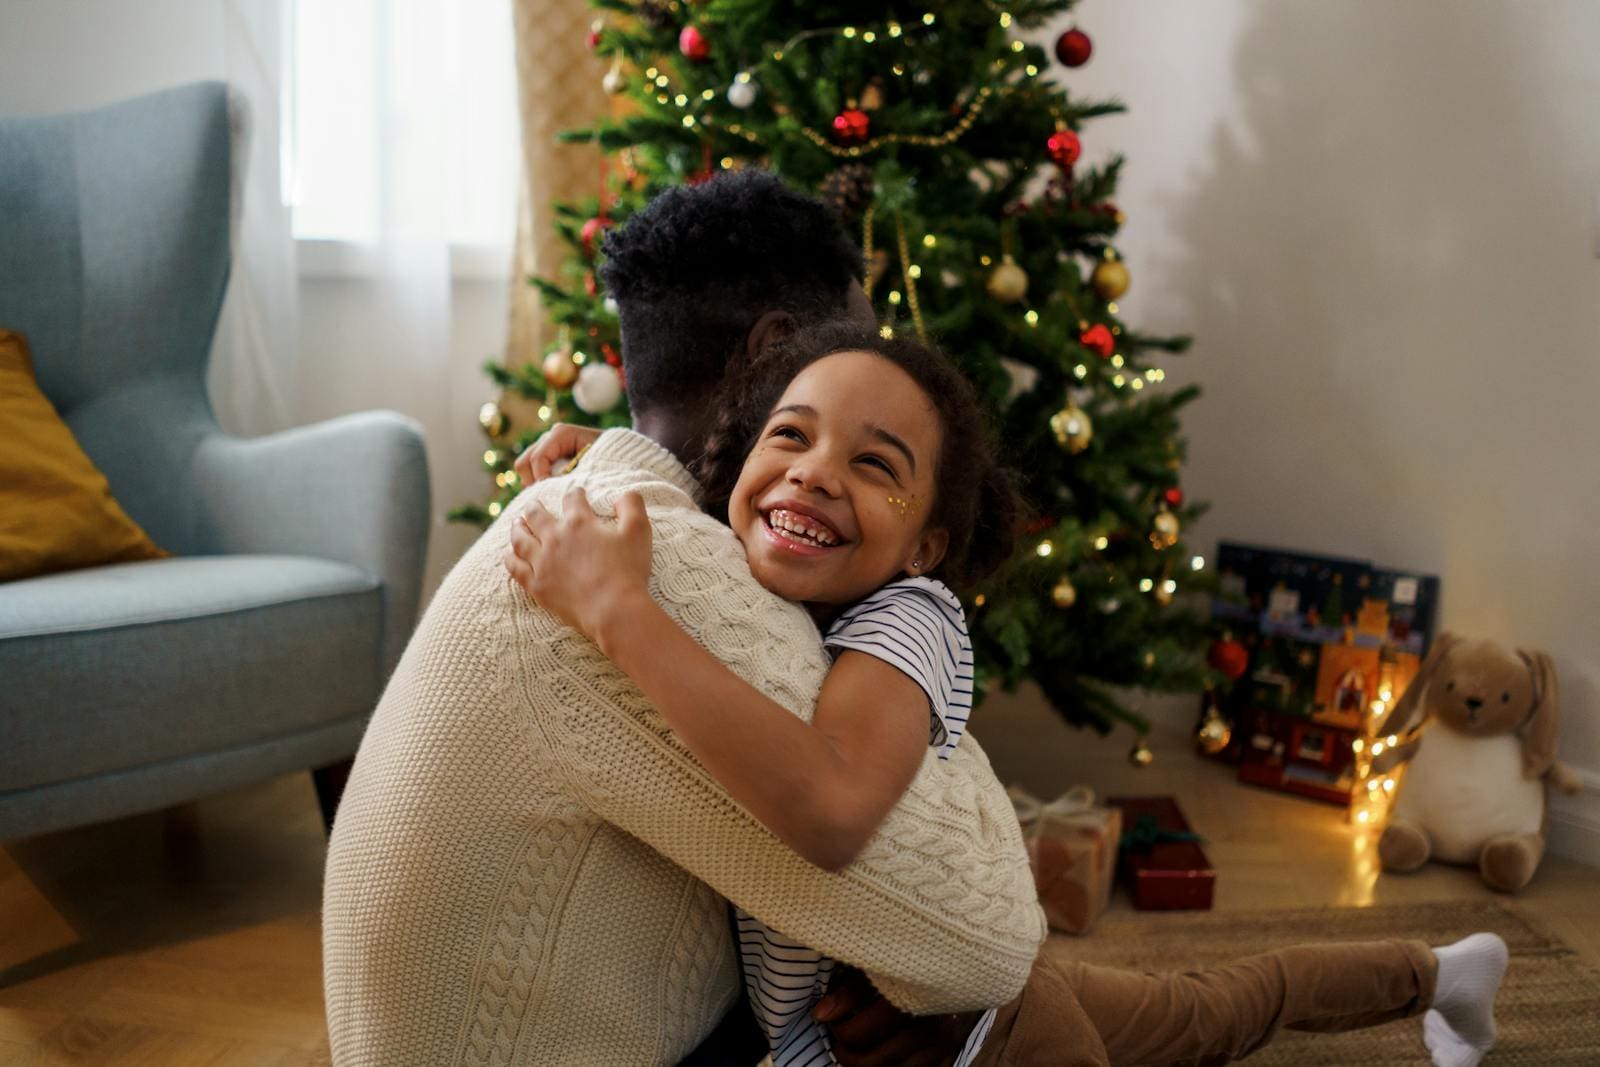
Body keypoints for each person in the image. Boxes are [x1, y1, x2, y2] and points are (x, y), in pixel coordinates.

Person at [506, 324, 1511, 1067]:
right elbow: (718, 509)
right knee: (1216, 1007)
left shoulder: (911, 619)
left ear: (925, 546)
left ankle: (1440, 976)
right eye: (790, 435)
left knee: (1210, 1020)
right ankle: (1448, 972)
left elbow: (830, 802)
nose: (812, 474)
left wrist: (614, 606)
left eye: (872, 464)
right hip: (955, 992)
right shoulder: (751, 581)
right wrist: (602, 454)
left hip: (988, 1039)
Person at [320, 171, 1045, 1067]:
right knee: (1030, 1008)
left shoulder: (604, 515)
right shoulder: (649, 571)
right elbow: (992, 940)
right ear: (779, 351)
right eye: (858, 344)